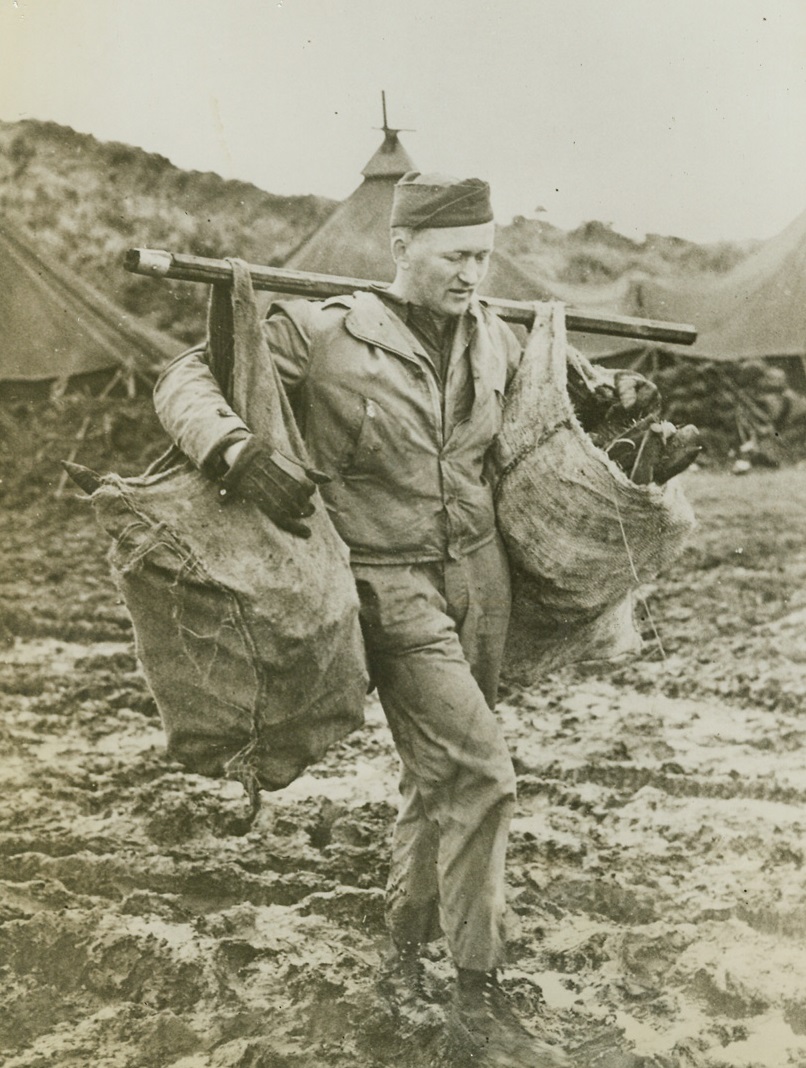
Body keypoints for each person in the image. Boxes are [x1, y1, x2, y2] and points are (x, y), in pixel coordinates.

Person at [152, 172, 652, 1067]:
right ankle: (476, 994)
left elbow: (561, 390)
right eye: (456, 255)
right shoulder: (326, 330)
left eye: (483, 255)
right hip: (388, 586)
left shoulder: (492, 334)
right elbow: (184, 377)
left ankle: (406, 942)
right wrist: (235, 452)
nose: (473, 271)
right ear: (401, 249)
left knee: (438, 777)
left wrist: (616, 410)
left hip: (480, 581)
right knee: (479, 774)